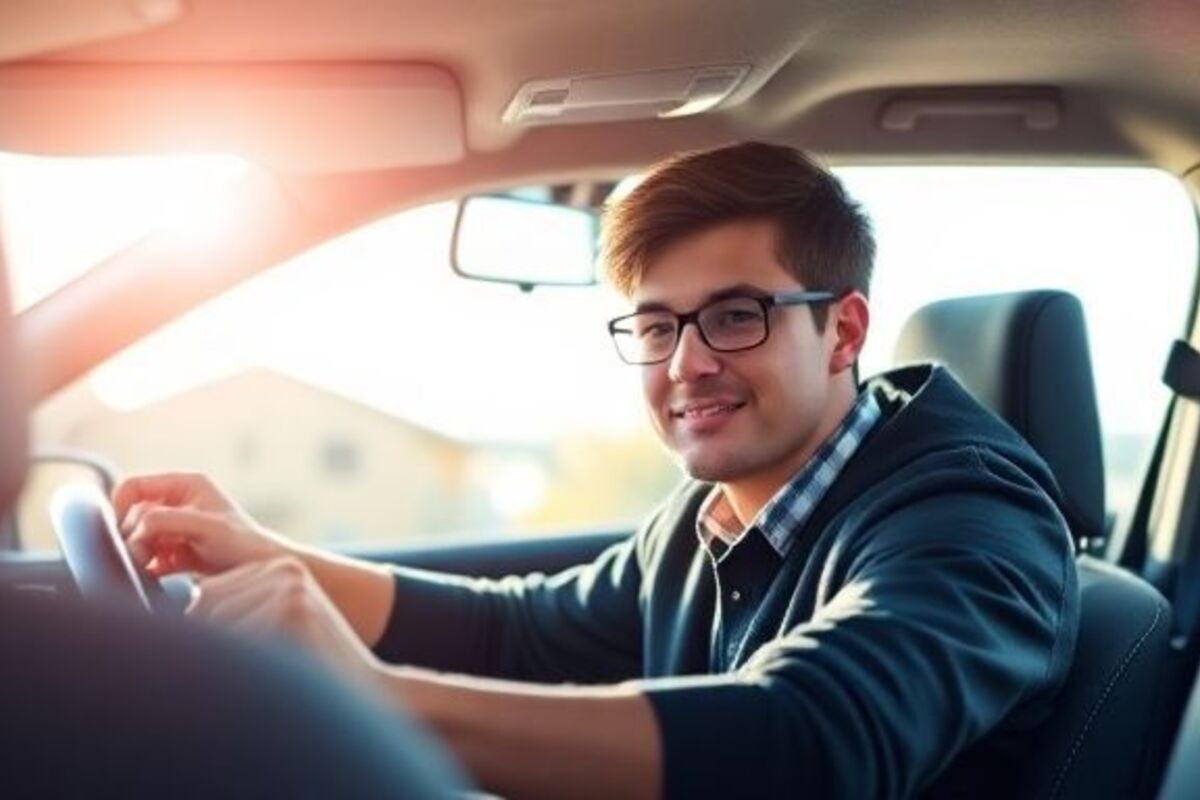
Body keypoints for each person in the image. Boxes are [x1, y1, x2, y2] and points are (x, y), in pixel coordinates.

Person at [111, 142, 1079, 799]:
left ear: (845, 329)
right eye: (658, 325)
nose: (687, 362)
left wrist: (366, 695)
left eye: (736, 315)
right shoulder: (721, 505)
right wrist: (262, 554)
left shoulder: (970, 518)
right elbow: (526, 630)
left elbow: (810, 738)